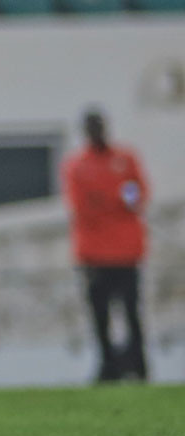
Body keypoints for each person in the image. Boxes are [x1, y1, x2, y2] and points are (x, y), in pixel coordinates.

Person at [63, 108, 150, 383]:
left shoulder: (124, 159)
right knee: (100, 315)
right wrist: (116, 200)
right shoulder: (77, 165)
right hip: (94, 253)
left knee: (132, 312)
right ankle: (108, 365)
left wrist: (113, 199)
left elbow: (136, 193)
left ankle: (137, 364)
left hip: (126, 251)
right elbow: (81, 206)